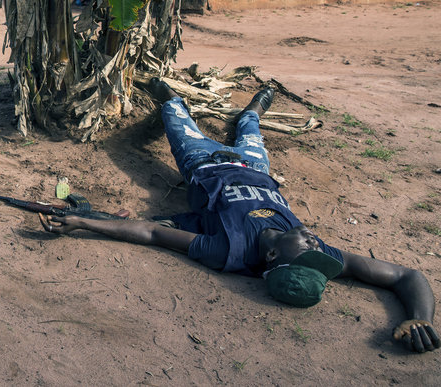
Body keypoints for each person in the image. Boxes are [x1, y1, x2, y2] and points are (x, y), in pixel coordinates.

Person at [38, 82, 439, 354]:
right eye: (318, 249)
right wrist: (419, 320)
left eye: (308, 248)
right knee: (250, 125)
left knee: (174, 114)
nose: (316, 243)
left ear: (272, 260)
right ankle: (253, 107)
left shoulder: (228, 249)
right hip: (255, 166)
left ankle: (167, 92)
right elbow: (408, 276)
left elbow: (153, 232)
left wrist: (86, 222)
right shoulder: (318, 257)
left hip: (203, 164)